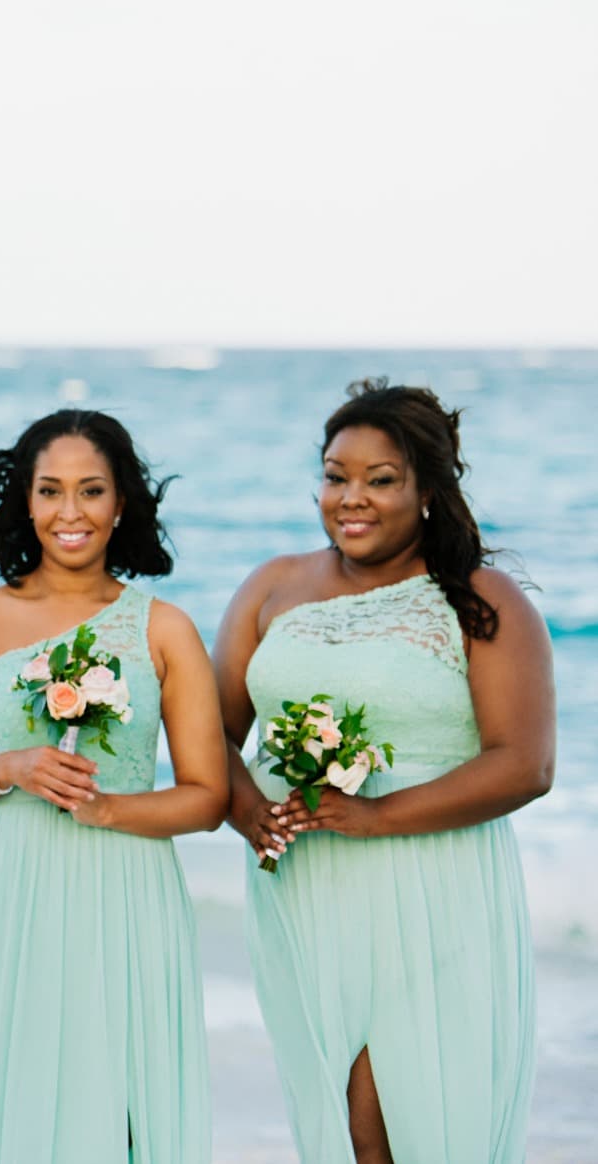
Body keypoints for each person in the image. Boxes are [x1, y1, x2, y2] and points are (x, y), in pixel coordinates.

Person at [216, 380, 553, 1163]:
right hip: (304, 895)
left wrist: (375, 816)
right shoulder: (271, 586)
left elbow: (526, 764)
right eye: (336, 476)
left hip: (434, 894)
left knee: (395, 1122)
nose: (351, 499)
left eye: (381, 479)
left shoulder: (480, 600)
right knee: (335, 1118)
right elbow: (214, 736)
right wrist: (249, 813)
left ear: (428, 490)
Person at [0, 409, 224, 1162]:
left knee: (117, 1105)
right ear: (25, 501)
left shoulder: (165, 629)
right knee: (4, 1101)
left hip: (124, 893)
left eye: (91, 491)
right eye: (50, 491)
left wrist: (111, 806)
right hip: (1, 896)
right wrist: (7, 768)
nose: (70, 513)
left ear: (122, 504)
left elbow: (209, 798)